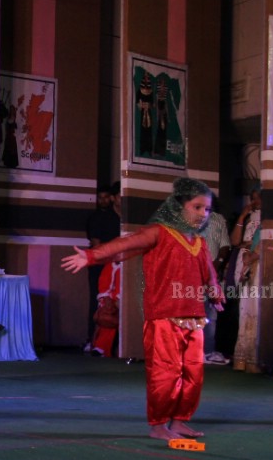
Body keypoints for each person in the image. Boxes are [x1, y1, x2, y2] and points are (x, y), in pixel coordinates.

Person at [62, 178, 224, 441]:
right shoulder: (159, 232)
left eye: (207, 209)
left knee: (193, 373)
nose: (203, 214)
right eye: (197, 207)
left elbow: (207, 272)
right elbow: (124, 245)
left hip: (194, 317)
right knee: (165, 373)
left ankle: (180, 421)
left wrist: (215, 292)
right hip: (163, 317)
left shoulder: (199, 242)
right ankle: (158, 426)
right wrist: (91, 256)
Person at [229, 186, 263, 373]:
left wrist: (251, 249)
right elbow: (235, 242)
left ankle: (255, 358)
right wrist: (242, 217)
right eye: (253, 198)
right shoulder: (249, 218)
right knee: (245, 309)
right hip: (244, 261)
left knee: (256, 308)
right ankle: (242, 358)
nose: (255, 202)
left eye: (258, 198)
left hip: (257, 263)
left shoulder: (268, 219)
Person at [84, 183, 121, 353]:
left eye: (107, 197)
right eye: (101, 197)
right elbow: (96, 244)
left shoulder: (118, 217)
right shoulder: (95, 218)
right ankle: (92, 341)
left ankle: (113, 344)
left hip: (117, 264)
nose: (104, 200)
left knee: (117, 303)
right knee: (98, 303)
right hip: (100, 266)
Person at [202, 196, 232, 365]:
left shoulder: (218, 220)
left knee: (212, 315)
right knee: (192, 313)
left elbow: (225, 245)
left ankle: (208, 352)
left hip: (214, 274)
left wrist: (217, 264)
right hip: (193, 274)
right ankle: (191, 352)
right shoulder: (187, 221)